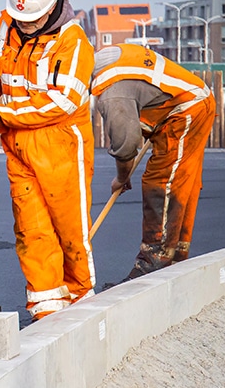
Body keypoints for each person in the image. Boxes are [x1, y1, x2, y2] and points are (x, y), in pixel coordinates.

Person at [0, 0, 96, 319]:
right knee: (31, 230)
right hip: (18, 146)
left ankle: (81, 303)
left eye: (31, 20)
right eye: (20, 18)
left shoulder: (73, 42)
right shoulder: (8, 23)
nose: (23, 25)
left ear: (52, 8)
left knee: (70, 231)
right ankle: (47, 311)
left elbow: (61, 102)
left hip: (60, 146)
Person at [90, 43, 215, 280]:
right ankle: (176, 258)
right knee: (181, 183)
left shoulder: (111, 93)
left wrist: (121, 177)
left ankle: (153, 263)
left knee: (163, 182)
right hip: (185, 100)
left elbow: (126, 145)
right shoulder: (106, 56)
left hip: (185, 109)